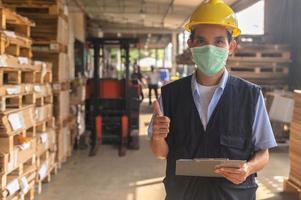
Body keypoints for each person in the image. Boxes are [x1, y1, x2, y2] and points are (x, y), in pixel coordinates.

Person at [148, 0, 277, 199]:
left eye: (218, 41)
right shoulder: (170, 95)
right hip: (183, 194)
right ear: (191, 45)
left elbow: (263, 153)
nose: (209, 49)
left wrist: (248, 168)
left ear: (231, 46)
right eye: (201, 41)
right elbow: (161, 153)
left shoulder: (250, 96)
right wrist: (158, 137)